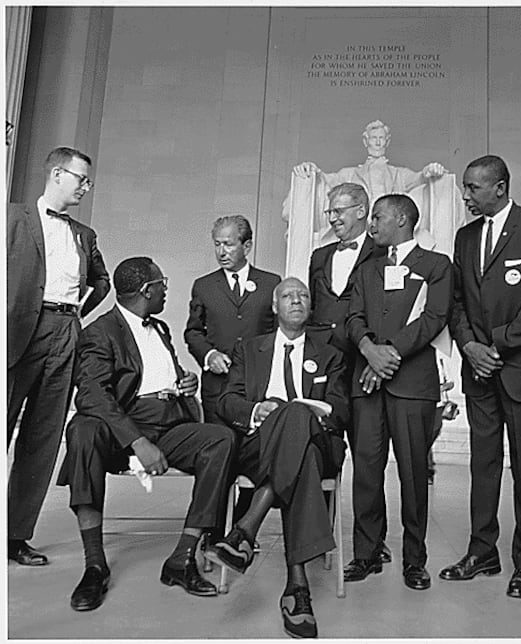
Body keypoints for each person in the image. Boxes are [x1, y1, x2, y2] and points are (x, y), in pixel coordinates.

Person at [57, 257, 235, 611]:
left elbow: (149, 372)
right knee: (83, 430)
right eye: (161, 283)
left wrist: (183, 381)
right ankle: (94, 565)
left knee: (221, 439)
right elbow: (91, 392)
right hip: (125, 425)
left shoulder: (161, 328)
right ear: (146, 290)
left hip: (169, 420)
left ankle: (182, 558)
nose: (165, 289)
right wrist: (138, 442)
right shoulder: (100, 331)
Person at [440, 155, 521, 599]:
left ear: (500, 187)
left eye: (473, 188)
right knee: (484, 465)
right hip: (479, 371)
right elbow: (455, 301)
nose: (466, 195)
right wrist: (470, 347)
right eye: (465, 187)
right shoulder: (465, 237)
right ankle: (482, 552)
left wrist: (495, 342)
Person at [207, 277, 348, 639]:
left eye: (303, 295)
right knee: (304, 460)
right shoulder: (249, 349)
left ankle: (245, 529)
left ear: (311, 306)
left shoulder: (330, 354)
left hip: (319, 440)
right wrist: (257, 410)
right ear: (275, 307)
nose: (296, 300)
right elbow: (227, 401)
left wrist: (300, 413)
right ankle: (296, 588)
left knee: (298, 415)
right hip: (261, 446)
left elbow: (342, 411)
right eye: (288, 295)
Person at [7, 146, 110, 566]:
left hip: (66, 331)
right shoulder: (12, 218)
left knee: (42, 438)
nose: (86, 187)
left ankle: (14, 535)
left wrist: (74, 315)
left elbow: (101, 281)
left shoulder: (84, 234)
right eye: (80, 179)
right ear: (56, 174)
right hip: (16, 333)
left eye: (88, 181)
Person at [344, 194, 453, 590]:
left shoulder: (436, 266)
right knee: (367, 473)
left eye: (378, 216)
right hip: (366, 383)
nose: (371, 223)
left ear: (402, 219)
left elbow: (435, 317)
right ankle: (366, 554)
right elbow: (353, 316)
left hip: (412, 385)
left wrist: (389, 355)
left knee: (412, 473)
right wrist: (370, 352)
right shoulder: (367, 268)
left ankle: (414, 560)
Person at [307, 182, 391, 563]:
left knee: (368, 457)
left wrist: (376, 356)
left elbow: (392, 309)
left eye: (338, 211)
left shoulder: (384, 251)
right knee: (319, 448)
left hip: (364, 368)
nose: (333, 218)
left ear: (362, 210)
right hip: (324, 369)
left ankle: (371, 544)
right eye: (329, 212)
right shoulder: (319, 255)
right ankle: (315, 535)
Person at [285, 119, 448, 246]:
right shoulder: (348, 174)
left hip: (390, 230)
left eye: (381, 138)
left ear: (387, 141)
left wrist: (430, 171)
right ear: (366, 141)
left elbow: (420, 178)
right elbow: (325, 180)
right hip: (357, 230)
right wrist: (312, 170)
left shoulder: (399, 174)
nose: (378, 143)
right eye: (374, 138)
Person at [184, 215, 281, 423]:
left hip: (258, 386)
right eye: (217, 244)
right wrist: (209, 355)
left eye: (228, 244)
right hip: (217, 388)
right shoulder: (204, 286)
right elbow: (193, 332)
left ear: (247, 246)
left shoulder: (271, 283)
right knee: (218, 446)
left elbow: (278, 333)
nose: (221, 252)